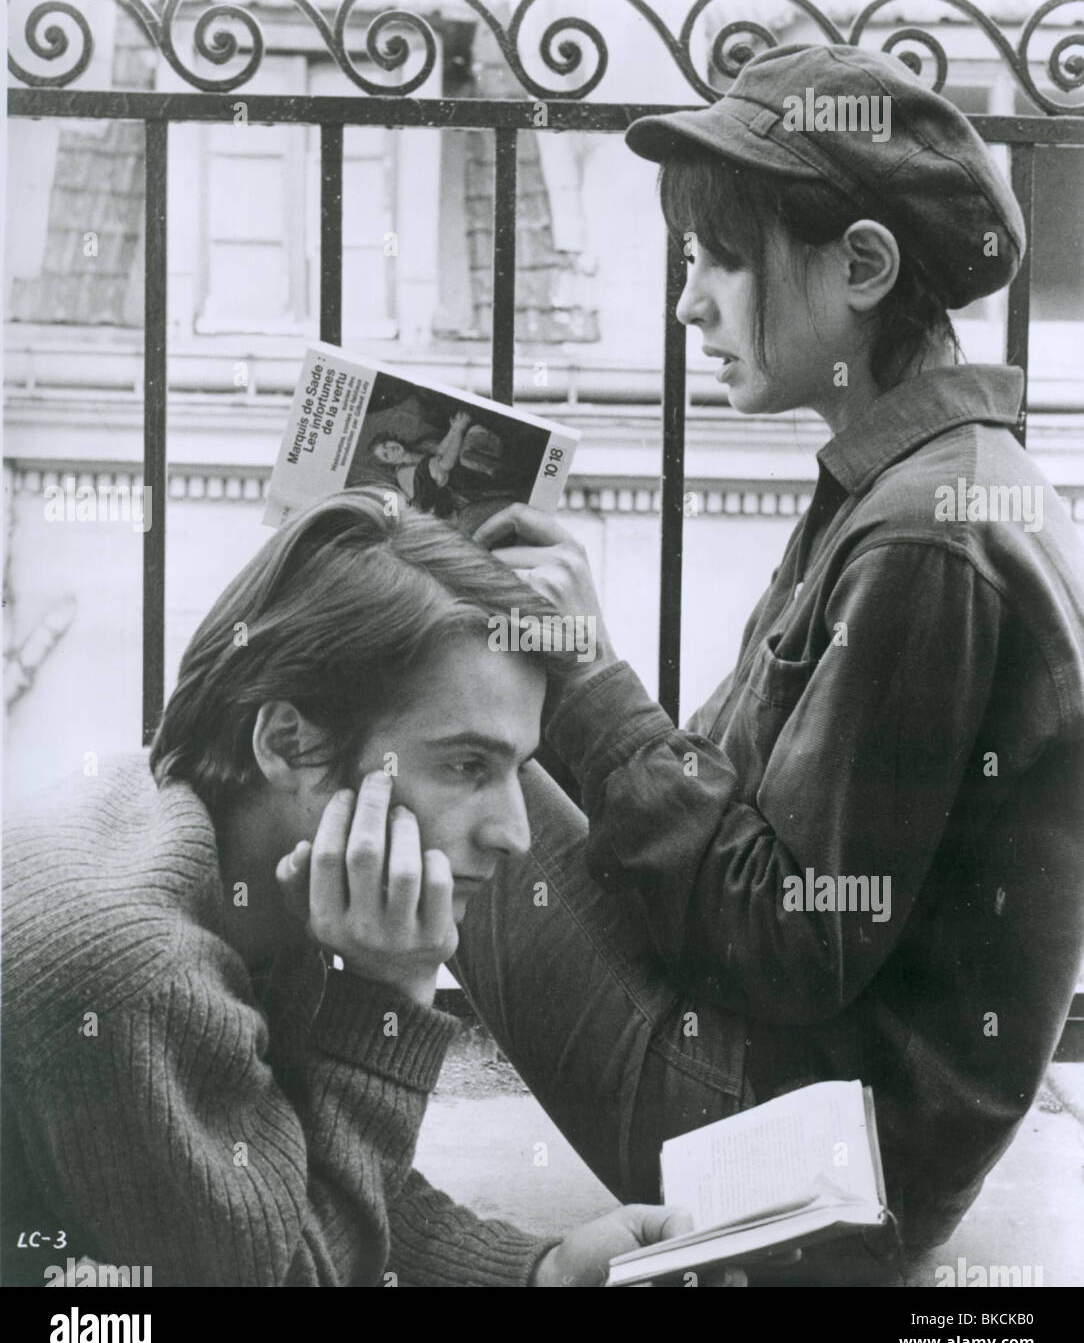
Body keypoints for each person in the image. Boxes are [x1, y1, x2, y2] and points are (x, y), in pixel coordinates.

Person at [448, 43, 1084, 1282]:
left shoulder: (922, 535)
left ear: (860, 267)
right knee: (457, 716)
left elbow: (790, 940)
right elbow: (750, 842)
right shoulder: (914, 486)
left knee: (412, 743)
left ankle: (258, 1138)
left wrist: (581, 674)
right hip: (816, 1107)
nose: (688, 302)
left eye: (718, 258)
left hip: (810, 1165)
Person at [1, 490, 722, 1288]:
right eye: (465, 766)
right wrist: (392, 996)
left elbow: (289, 1174)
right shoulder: (143, 973)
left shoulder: (203, 827)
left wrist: (543, 1271)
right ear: (289, 743)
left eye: (518, 769)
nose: (516, 833)